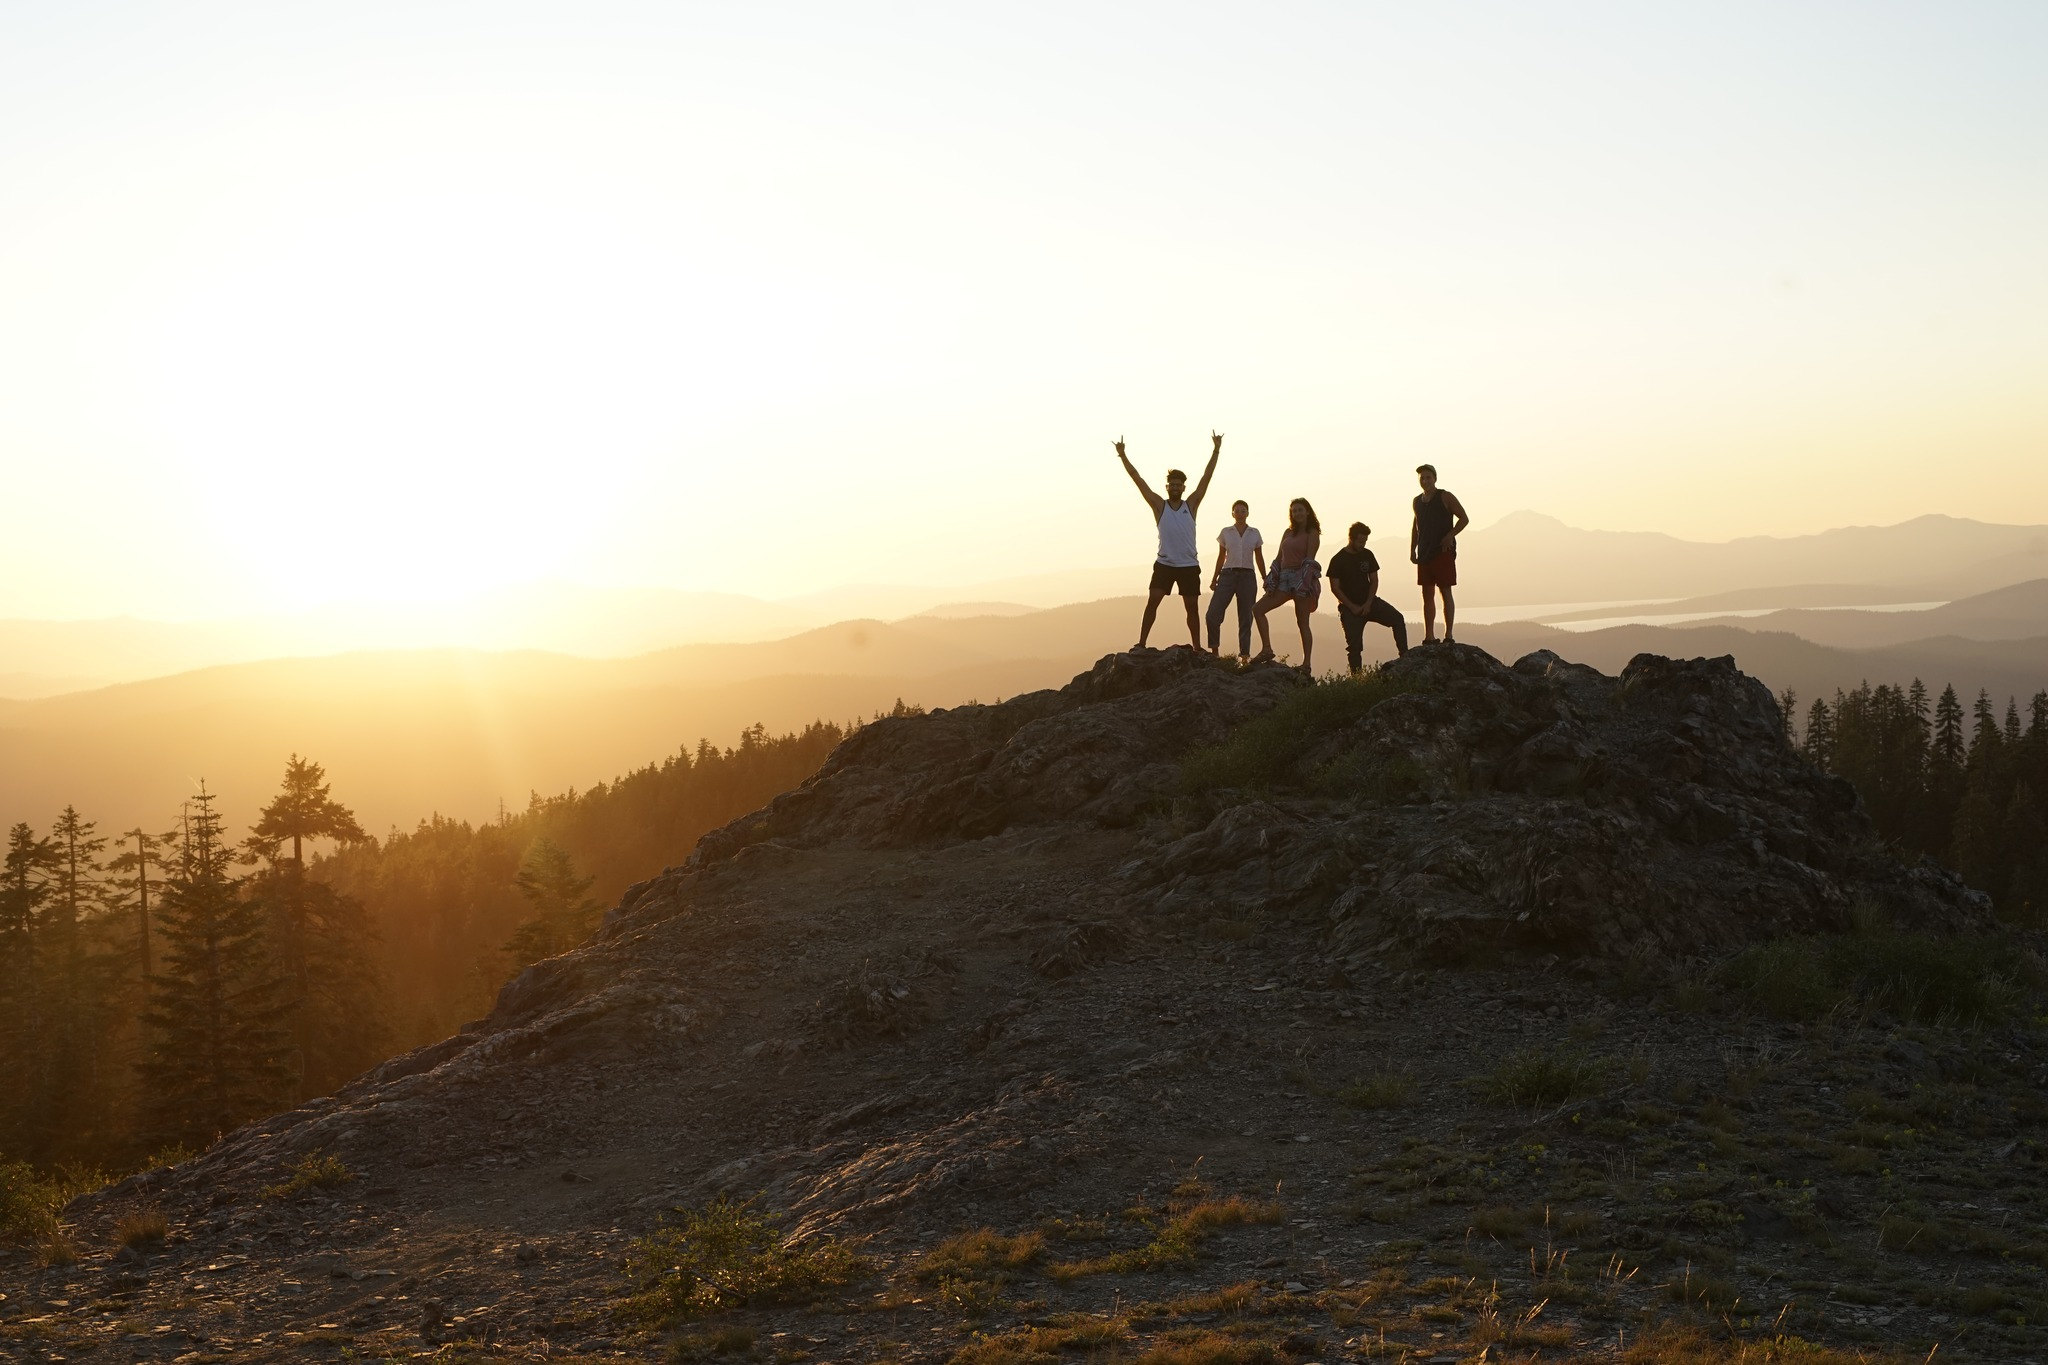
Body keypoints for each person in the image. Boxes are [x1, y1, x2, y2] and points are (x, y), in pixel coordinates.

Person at [1116, 431, 1222, 649]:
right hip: (1164, 564)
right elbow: (1138, 480)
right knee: (1152, 603)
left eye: (1178, 485)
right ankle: (1141, 643)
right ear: (1167, 487)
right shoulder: (1159, 505)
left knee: (1192, 608)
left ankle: (1197, 647)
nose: (1175, 488)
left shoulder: (1190, 505)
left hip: (1189, 565)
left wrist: (1216, 449)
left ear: (1183, 487)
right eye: (1171, 485)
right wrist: (1122, 455)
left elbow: (1206, 477)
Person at [1251, 498, 1322, 672]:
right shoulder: (1287, 532)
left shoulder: (1312, 533)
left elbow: (1310, 560)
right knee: (1258, 609)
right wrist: (1271, 578)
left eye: (1300, 510)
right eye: (1294, 510)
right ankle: (1266, 649)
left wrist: (1304, 584)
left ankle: (1306, 664)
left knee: (1302, 622)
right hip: (1283, 578)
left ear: (1307, 512)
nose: (1297, 513)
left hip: (1302, 578)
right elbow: (1278, 558)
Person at [1327, 521, 1408, 671]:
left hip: (1370, 602)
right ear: (1351, 538)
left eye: (1365, 541)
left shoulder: (1367, 554)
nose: (1363, 544)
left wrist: (1368, 603)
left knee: (1397, 619)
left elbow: (1374, 580)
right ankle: (1357, 680)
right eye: (1360, 541)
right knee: (1354, 647)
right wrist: (1352, 607)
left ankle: (1405, 657)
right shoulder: (1337, 560)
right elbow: (1335, 588)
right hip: (1349, 609)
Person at [1409, 464, 1469, 644]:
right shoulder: (1417, 501)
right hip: (1424, 552)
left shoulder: (1445, 496)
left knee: (1445, 590)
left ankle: (1448, 635)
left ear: (1435, 478)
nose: (1425, 481)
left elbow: (1464, 518)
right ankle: (1429, 636)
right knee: (1427, 594)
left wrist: (1449, 536)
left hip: (1443, 551)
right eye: (1422, 478)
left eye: (1428, 477)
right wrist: (1412, 549)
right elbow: (1416, 526)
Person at [1205, 500, 1265, 660]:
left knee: (1246, 616)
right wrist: (1214, 577)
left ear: (1248, 513)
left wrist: (1265, 577)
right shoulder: (1226, 532)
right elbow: (1221, 556)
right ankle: (1214, 651)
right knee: (1213, 613)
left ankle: (1244, 656)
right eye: (1237, 511)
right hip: (1227, 574)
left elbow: (1259, 557)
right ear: (1232, 513)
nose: (1240, 513)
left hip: (1248, 576)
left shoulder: (1254, 533)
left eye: (1243, 510)